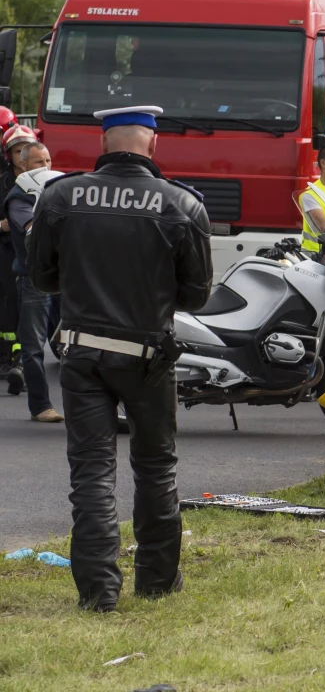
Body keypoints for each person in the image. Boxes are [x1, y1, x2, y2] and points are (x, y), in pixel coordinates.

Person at [28, 105, 212, 613]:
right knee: (155, 467)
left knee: (91, 472)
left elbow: (42, 278)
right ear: (152, 144)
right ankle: (156, 581)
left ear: (104, 142)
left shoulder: (61, 195)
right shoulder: (182, 203)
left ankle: (98, 593)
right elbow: (196, 296)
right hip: (148, 357)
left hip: (82, 352)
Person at [5, 141, 64, 423]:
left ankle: (88, 405)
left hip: (64, 279)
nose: (46, 168)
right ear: (24, 165)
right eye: (39, 163)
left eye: (49, 161)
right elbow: (33, 230)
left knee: (76, 342)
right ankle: (40, 406)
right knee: (33, 346)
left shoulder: (56, 192)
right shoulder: (18, 197)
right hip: (34, 280)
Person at [0, 125, 37, 392]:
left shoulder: (47, 182)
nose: (22, 155)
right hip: (6, 250)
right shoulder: (3, 184)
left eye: (27, 150)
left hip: (37, 253)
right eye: (17, 151)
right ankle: (13, 358)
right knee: (9, 302)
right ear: (9, 155)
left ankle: (21, 359)